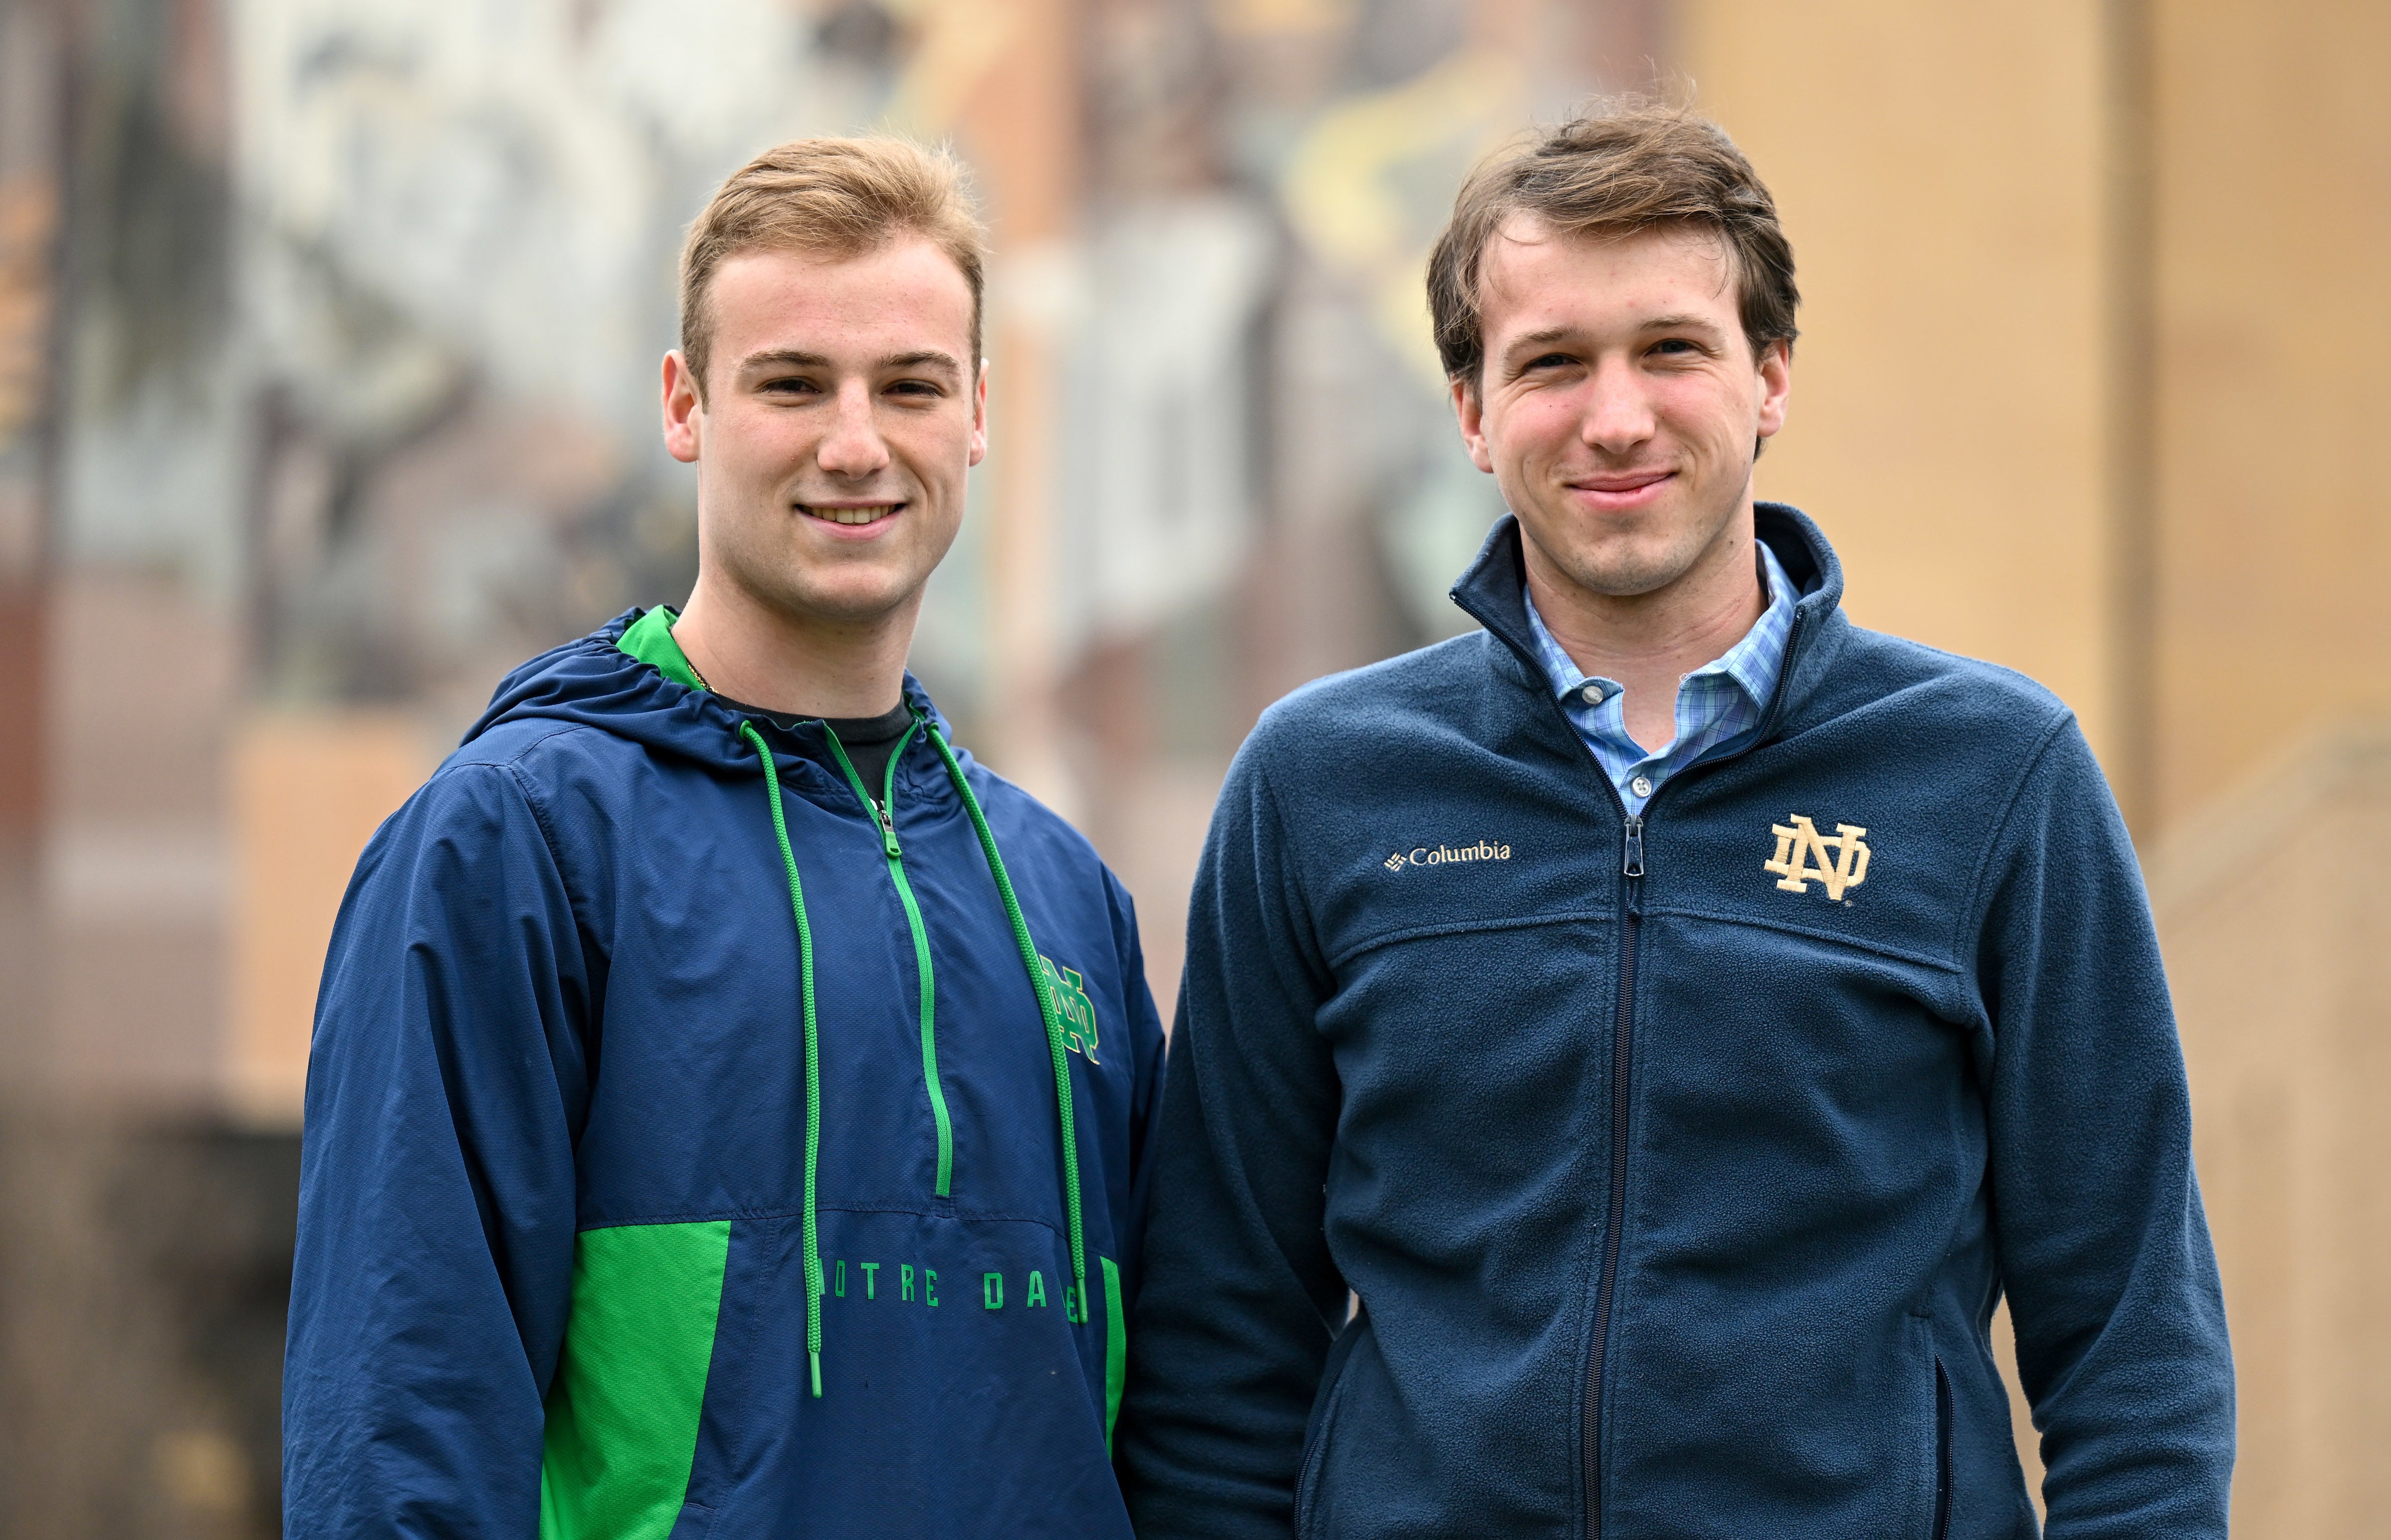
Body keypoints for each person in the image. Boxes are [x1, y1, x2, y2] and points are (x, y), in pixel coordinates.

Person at [1118, 104, 2233, 1538]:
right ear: (1469, 411)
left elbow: (2132, 1344)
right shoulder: (1319, 784)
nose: (1618, 416)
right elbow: (1221, 1340)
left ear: (1769, 379)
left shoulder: (1996, 776)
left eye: (1672, 350)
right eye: (1553, 363)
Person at [283, 136, 1165, 1539]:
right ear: (686, 405)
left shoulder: (1066, 900)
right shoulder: (512, 841)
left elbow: (1162, 1425)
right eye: (794, 383)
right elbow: (401, 1414)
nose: (857, 444)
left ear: (981, 412)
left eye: (911, 386)